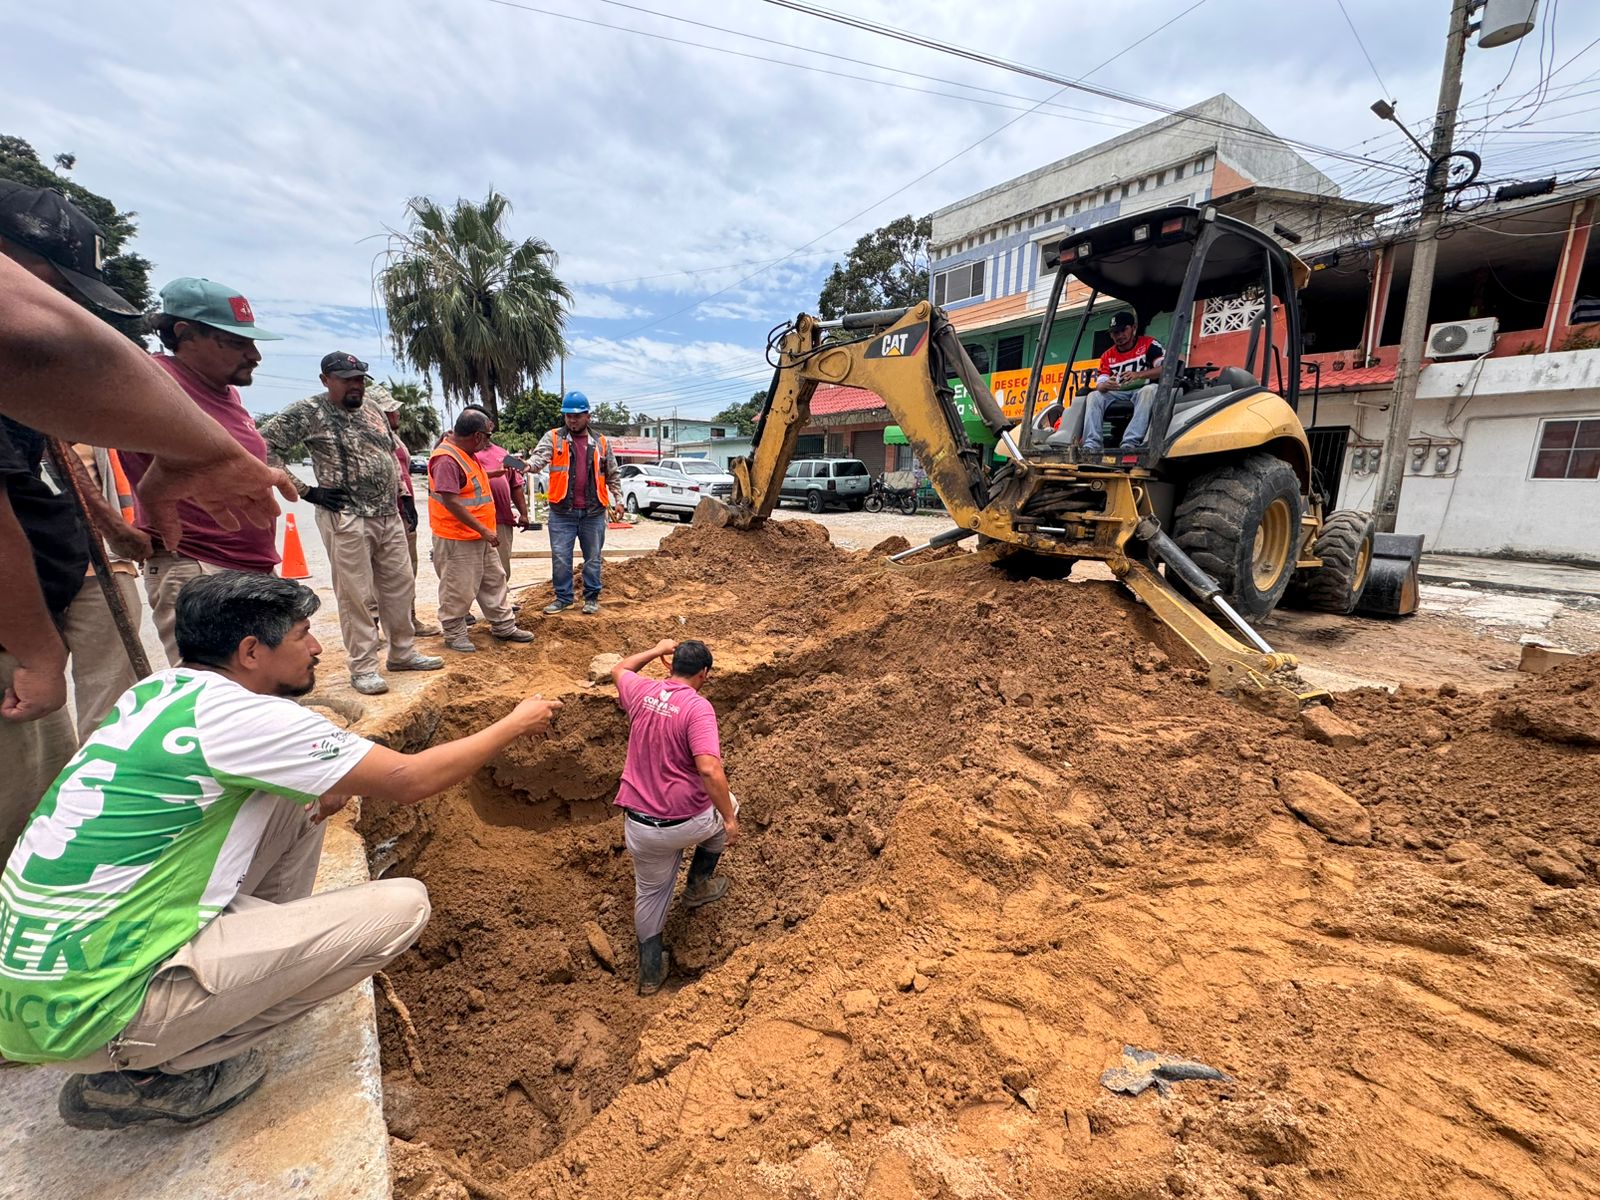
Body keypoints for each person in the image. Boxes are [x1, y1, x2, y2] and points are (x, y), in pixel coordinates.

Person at [0, 571, 561, 1129]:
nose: (317, 648)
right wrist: (514, 724)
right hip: (91, 1012)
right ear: (251, 652)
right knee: (403, 907)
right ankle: (152, 1072)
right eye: (301, 634)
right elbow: (411, 780)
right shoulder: (252, 719)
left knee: (306, 797)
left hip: (46, 981)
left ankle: (241, 967)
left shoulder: (160, 692)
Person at [117, 277, 289, 666]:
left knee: (267, 685)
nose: (255, 355)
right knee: (216, 691)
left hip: (249, 566)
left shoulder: (227, 393)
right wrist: (111, 525)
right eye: (237, 342)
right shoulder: (150, 381)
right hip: (198, 567)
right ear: (185, 334)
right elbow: (67, 442)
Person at [259, 353, 442, 695]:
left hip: (387, 514)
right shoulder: (309, 411)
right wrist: (307, 491)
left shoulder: (372, 409)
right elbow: (263, 445)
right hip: (346, 516)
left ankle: (402, 652)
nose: (355, 385)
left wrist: (403, 496)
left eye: (359, 379)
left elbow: (390, 454)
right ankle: (364, 667)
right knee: (356, 595)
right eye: (347, 379)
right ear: (326, 379)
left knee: (400, 586)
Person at [609, 638, 737, 995]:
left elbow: (619, 668)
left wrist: (655, 650)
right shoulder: (697, 708)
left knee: (650, 894)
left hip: (639, 827)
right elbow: (709, 769)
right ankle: (698, 886)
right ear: (704, 673)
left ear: (670, 665)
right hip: (685, 822)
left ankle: (651, 974)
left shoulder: (642, 691)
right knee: (729, 807)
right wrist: (729, 819)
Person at [427, 410, 535, 653]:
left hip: (477, 534)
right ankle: (454, 633)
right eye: (487, 435)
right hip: (457, 536)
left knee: (494, 580)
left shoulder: (465, 453)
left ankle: (503, 625)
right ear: (476, 436)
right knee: (458, 587)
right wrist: (484, 530)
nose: (488, 441)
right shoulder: (446, 458)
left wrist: (495, 474)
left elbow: (468, 482)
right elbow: (451, 500)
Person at [62, 443, 151, 737]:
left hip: (101, 566)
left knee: (110, 698)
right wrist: (117, 530)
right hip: (27, 571)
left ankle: (102, 760)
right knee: (31, 703)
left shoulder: (96, 432)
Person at [526, 391, 621, 616]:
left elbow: (612, 473)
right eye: (568, 416)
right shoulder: (554, 438)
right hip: (562, 511)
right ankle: (564, 598)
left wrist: (618, 499)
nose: (572, 420)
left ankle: (591, 598)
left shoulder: (601, 442)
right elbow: (539, 459)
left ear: (588, 416)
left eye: (577, 416)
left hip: (593, 512)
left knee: (593, 558)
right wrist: (527, 466)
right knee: (561, 558)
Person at [372, 382, 442, 638]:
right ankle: (373, 626)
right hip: (381, 515)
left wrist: (408, 503)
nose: (397, 414)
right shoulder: (369, 438)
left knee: (406, 572)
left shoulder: (394, 438)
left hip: (403, 514)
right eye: (391, 410)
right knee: (376, 576)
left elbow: (401, 473)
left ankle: (408, 619)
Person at [461, 404, 531, 582]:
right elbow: (465, 480)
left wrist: (524, 514)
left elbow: (516, 484)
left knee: (501, 570)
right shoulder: (464, 454)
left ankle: (501, 598)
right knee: (472, 574)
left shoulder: (502, 453)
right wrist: (495, 473)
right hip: (472, 522)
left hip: (501, 521)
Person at [1079, 311, 1165, 455]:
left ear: (1133, 328)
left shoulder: (1149, 344)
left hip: (1142, 390)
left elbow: (1164, 369)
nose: (1119, 336)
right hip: (1118, 392)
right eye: (1115, 333)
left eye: (1123, 330)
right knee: (1094, 396)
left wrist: (1138, 375)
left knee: (1149, 390)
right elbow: (1100, 384)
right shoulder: (1107, 356)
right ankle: (1092, 445)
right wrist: (1105, 385)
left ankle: (1130, 443)